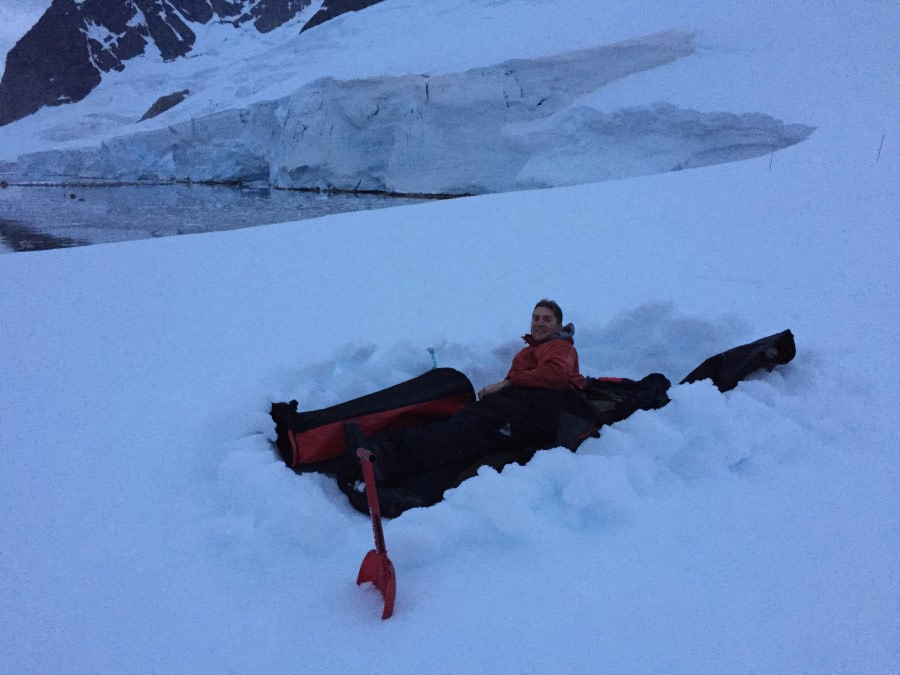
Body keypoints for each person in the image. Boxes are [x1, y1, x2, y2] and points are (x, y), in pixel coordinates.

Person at [344, 299, 592, 484]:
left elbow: (555, 377)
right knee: (458, 425)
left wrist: (506, 383)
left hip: (543, 410)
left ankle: (386, 461)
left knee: (463, 434)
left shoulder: (560, 346)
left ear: (559, 325)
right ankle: (381, 448)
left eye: (546, 319)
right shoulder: (528, 352)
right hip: (517, 406)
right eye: (536, 318)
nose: (539, 323)